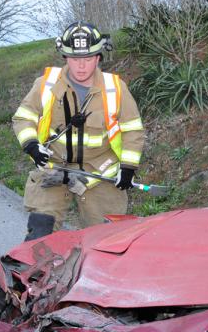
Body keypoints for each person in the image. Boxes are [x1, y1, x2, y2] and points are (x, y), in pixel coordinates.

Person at [12, 21, 145, 235]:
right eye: (75, 59)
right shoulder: (45, 85)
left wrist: (128, 166)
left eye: (88, 58)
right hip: (53, 168)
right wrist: (31, 145)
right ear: (65, 57)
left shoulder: (116, 88)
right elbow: (23, 117)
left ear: (98, 57)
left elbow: (132, 130)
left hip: (99, 173)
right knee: (40, 233)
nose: (81, 66)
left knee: (106, 242)